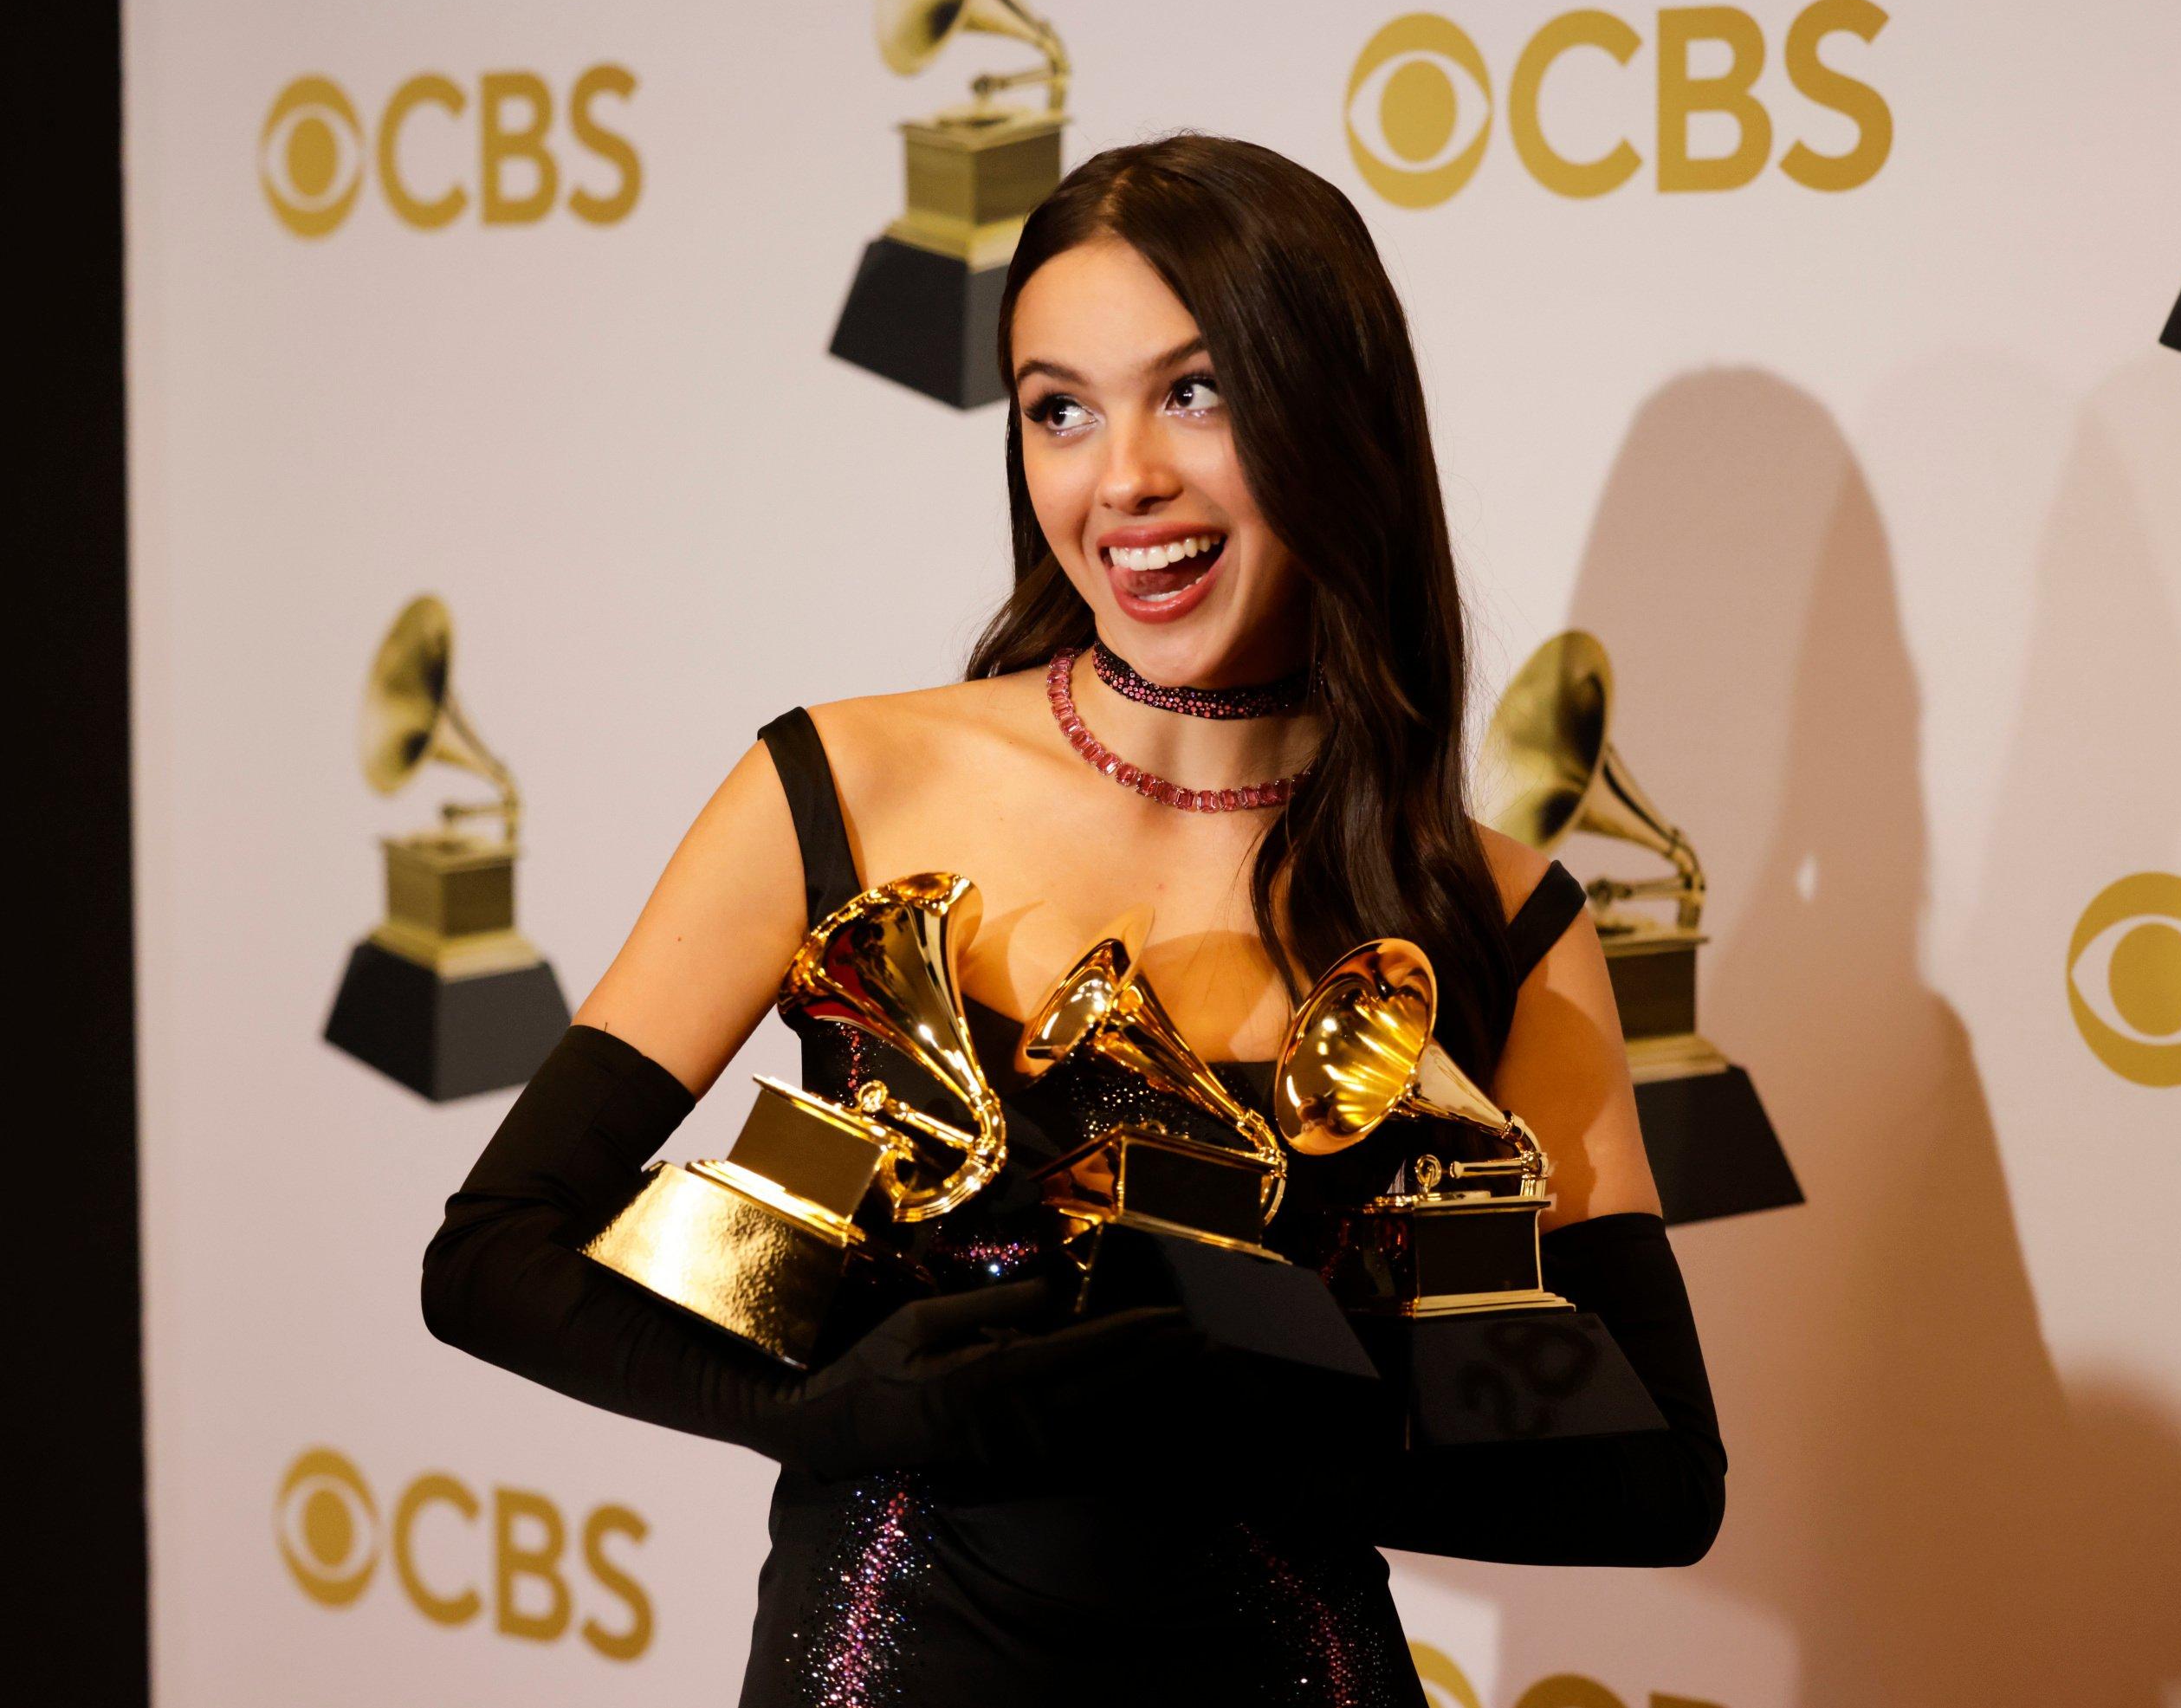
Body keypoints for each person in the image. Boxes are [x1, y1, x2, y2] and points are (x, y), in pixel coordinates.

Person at [421, 133, 1724, 1707]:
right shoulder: (844, 783)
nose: (1124, 482)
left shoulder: (1491, 910)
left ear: (1336, 416)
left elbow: (1658, 1473)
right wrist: (834, 1405)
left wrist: (1280, 1412)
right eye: (1060, 409)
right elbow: (495, 1256)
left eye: (1196, 391)